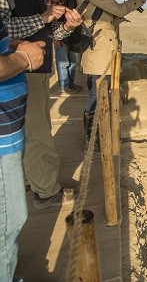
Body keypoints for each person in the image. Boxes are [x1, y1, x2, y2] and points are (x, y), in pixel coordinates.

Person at [0, 0, 83, 209]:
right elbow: (5, 30)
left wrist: (67, 27)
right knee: (38, 134)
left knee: (31, 131)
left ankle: (30, 179)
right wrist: (44, 17)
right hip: (21, 70)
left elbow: (47, 32)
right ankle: (46, 191)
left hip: (34, 69)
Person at [77, 0, 146, 148]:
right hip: (98, 52)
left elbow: (108, 16)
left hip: (103, 51)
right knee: (96, 97)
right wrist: (136, 1)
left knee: (100, 95)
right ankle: (93, 140)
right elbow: (117, 9)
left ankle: (98, 136)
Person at [0, 20, 44, 282]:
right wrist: (23, 58)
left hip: (9, 131)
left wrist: (14, 48)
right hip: (2, 139)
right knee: (7, 223)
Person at [44, 0, 83, 94]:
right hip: (58, 33)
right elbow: (48, 18)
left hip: (68, 33)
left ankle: (70, 84)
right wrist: (54, 37)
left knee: (72, 61)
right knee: (63, 61)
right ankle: (64, 85)